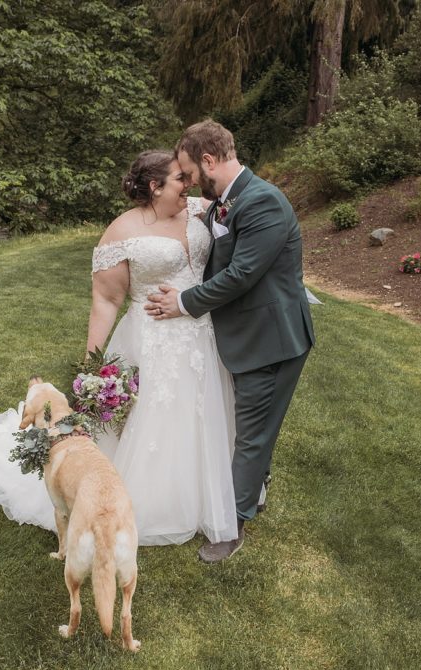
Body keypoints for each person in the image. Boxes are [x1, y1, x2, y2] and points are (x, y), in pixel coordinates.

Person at [0, 150, 238, 546]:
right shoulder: (121, 233)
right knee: (156, 419)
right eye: (180, 178)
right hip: (153, 338)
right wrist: (92, 366)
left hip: (202, 332)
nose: (189, 183)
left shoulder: (199, 210)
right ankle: (153, 500)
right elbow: (106, 302)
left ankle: (218, 490)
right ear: (155, 187)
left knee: (207, 409)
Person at [146, 120, 315, 563]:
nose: (187, 182)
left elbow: (241, 275)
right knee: (249, 425)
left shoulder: (264, 203)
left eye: (188, 172)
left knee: (251, 435)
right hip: (248, 333)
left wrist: (183, 302)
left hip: (271, 340)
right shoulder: (228, 198)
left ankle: (233, 524)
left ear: (208, 160)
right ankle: (254, 488)